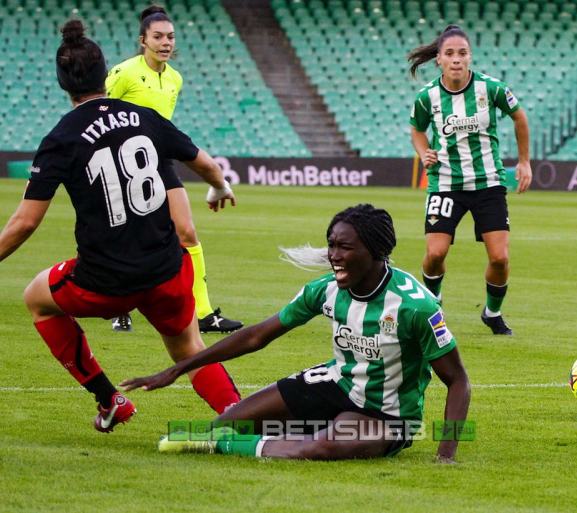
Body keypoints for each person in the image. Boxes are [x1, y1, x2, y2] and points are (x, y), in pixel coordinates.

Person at [0, 20, 241, 432]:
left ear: (62, 82)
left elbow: (27, 220)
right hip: (166, 270)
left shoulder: (61, 137)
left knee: (37, 298)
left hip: (104, 281)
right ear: (107, 74)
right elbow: (206, 164)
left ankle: (110, 399)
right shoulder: (144, 118)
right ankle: (242, 419)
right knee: (190, 348)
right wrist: (218, 187)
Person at [122, 204, 471, 463]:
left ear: (378, 251)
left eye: (344, 247)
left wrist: (447, 453)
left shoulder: (416, 307)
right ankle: (230, 438)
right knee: (226, 423)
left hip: (387, 415)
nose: (333, 255)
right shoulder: (325, 290)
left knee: (322, 447)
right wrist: (181, 367)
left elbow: (457, 380)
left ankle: (234, 444)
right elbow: (257, 335)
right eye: (331, 244)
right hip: (337, 385)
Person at [105, 5, 242, 334]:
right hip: (123, 164)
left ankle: (205, 314)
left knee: (187, 233)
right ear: (143, 40)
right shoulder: (123, 73)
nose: (166, 42)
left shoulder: (175, 78)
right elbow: (100, 114)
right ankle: (118, 306)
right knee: (127, 238)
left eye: (170, 37)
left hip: (159, 161)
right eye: (158, 37)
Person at [407, 24, 532, 336]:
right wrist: (424, 153)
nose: (456, 60)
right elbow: (417, 130)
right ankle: (432, 305)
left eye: (462, 53)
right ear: (439, 59)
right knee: (435, 254)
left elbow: (520, 117)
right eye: (449, 54)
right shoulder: (428, 97)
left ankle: (492, 313)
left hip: (488, 183)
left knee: (500, 258)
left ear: (470, 56)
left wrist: (524, 162)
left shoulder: (491, 89)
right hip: (445, 184)